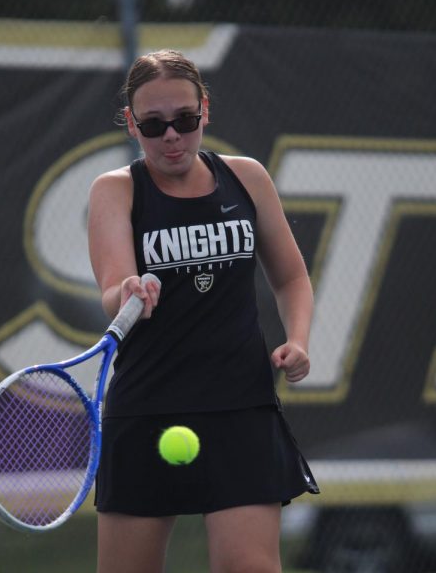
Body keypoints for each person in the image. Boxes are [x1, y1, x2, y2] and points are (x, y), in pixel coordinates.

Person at [87, 49, 319, 573]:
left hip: (240, 403)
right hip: (147, 404)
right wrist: (127, 291)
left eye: (185, 120)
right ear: (131, 123)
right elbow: (111, 290)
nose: (171, 136)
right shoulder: (115, 191)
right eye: (153, 124)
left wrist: (298, 340)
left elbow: (290, 277)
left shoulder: (248, 178)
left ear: (204, 112)